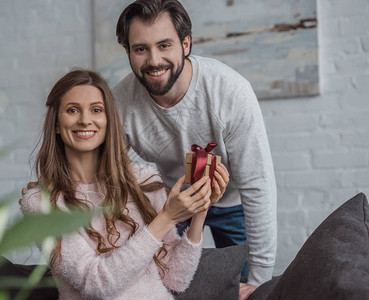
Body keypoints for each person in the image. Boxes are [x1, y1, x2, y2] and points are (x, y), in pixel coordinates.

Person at [113, 1, 277, 298]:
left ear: (185, 44)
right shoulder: (120, 104)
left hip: (233, 203)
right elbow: (103, 174)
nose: (154, 60)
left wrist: (260, 280)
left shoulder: (229, 91)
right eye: (140, 49)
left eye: (165, 45)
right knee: (166, 285)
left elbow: (258, 186)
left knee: (246, 287)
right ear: (128, 52)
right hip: (175, 202)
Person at [20, 69, 230, 299]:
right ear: (57, 125)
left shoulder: (144, 179)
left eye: (96, 110)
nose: (85, 120)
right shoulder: (41, 203)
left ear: (109, 120)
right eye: (72, 110)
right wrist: (166, 218)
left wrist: (200, 209)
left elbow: (176, 279)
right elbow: (97, 284)